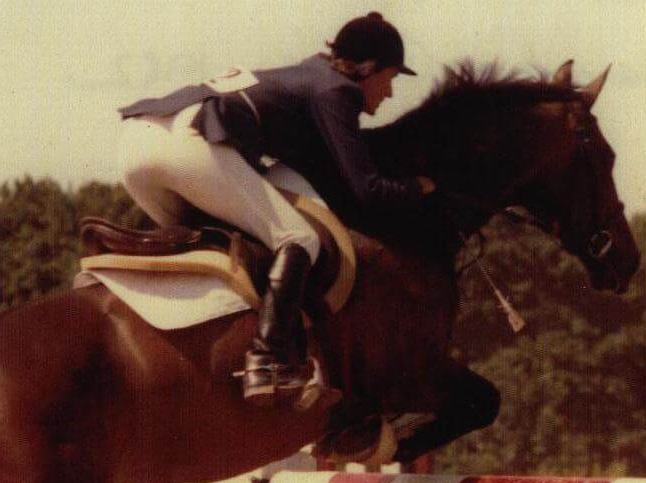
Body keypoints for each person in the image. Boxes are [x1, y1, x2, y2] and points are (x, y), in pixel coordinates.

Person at [117, 12, 436, 406]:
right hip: (187, 144)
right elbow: (366, 190)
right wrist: (416, 189)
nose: (388, 93)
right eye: (389, 78)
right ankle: (266, 360)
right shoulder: (336, 91)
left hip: (139, 143)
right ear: (367, 70)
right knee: (298, 236)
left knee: (230, 247)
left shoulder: (310, 77)